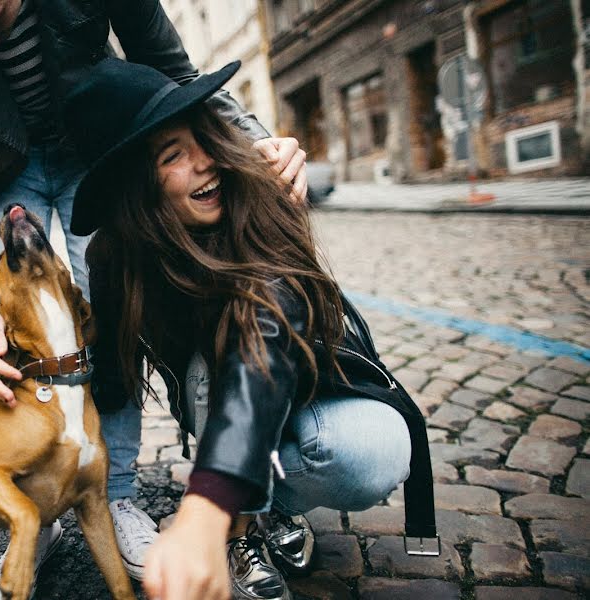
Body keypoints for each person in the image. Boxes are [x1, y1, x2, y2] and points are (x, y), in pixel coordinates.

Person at [0, 0, 311, 595]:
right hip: (1, 166)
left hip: (95, 147)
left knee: (110, 313)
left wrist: (256, 142)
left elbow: (175, 72)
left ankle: (117, 494)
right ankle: (34, 509)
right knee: (17, 328)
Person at [56, 58, 438, 600]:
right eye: (174, 156)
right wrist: (15, 378)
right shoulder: (115, 257)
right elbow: (113, 378)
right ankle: (244, 522)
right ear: (137, 185)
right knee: (208, 365)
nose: (207, 162)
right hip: (213, 398)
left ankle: (251, 511)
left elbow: (263, 335)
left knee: (373, 452)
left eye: (201, 139)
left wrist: (209, 504)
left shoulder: (260, 196)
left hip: (309, 377)